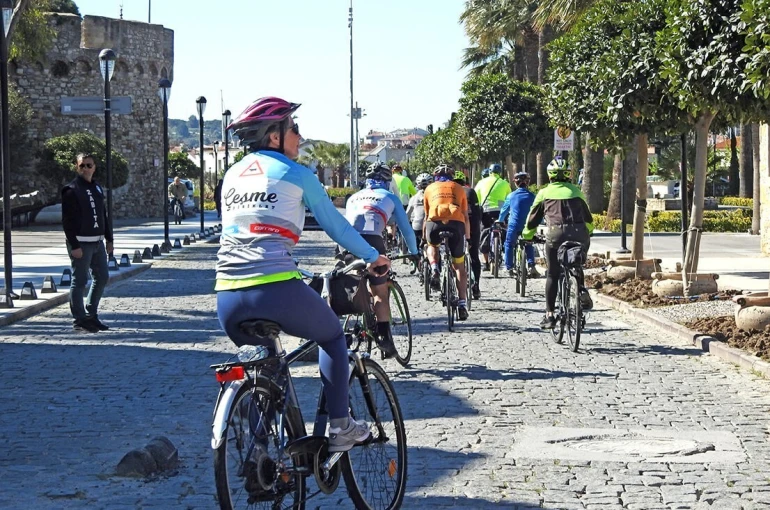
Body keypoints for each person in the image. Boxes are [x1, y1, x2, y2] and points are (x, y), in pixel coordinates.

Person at [216, 97, 391, 452]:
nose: (299, 134)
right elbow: (337, 227)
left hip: (227, 298)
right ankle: (341, 426)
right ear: (274, 136)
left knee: (265, 366)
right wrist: (373, 257)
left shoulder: (232, 175)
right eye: (293, 128)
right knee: (332, 338)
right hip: (275, 289)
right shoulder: (297, 174)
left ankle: (262, 457)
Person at [345, 162, 418, 357]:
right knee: (379, 290)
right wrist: (414, 253)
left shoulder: (353, 197)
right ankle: (384, 337)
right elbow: (406, 229)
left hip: (347, 243)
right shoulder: (390, 197)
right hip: (372, 241)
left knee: (353, 283)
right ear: (387, 181)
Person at [522, 159, 594, 330]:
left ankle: (549, 315)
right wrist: (588, 232)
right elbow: (589, 220)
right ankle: (580, 288)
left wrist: (527, 235)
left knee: (553, 274)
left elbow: (532, 221)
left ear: (550, 175)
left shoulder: (544, 193)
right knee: (576, 263)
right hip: (579, 234)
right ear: (568, 174)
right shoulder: (576, 191)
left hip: (556, 235)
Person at [61, 153, 113, 333]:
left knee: (102, 277)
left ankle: (91, 315)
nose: (85, 169)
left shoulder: (97, 188)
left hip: (98, 242)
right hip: (81, 243)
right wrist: (74, 245)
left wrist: (109, 239)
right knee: (80, 280)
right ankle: (79, 319)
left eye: (88, 165)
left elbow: (103, 215)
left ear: (94, 167)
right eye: (82, 165)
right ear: (77, 167)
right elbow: (67, 221)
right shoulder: (71, 189)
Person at [423, 164, 471, 321]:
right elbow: (465, 215)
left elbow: (426, 215)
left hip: (434, 223)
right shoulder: (459, 188)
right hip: (456, 224)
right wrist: (468, 238)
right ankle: (462, 303)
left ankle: (434, 267)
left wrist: (425, 238)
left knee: (432, 245)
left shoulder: (429, 188)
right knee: (459, 265)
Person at [500, 171, 538, 278]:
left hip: (514, 225)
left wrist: (500, 220)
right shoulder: (532, 196)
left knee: (508, 244)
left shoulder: (511, 196)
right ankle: (531, 265)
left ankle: (509, 267)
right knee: (529, 242)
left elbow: (504, 211)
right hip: (528, 225)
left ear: (516, 184)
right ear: (528, 183)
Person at [475, 163, 511, 271]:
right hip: (501, 211)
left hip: (486, 211)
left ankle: (485, 262)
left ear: (489, 172)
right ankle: (504, 248)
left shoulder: (481, 182)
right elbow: (508, 198)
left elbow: (476, 197)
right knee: (504, 228)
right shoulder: (505, 183)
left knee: (485, 231)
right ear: (500, 173)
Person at [452, 170, 482, 299]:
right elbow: (477, 210)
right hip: (473, 226)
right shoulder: (470, 191)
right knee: (474, 255)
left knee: (454, 256)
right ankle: (476, 285)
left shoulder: (451, 192)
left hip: (455, 226)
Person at [406, 172, 432, 248]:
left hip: (417, 226)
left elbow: (407, 214)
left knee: (416, 247)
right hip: (433, 225)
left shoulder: (413, 198)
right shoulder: (435, 197)